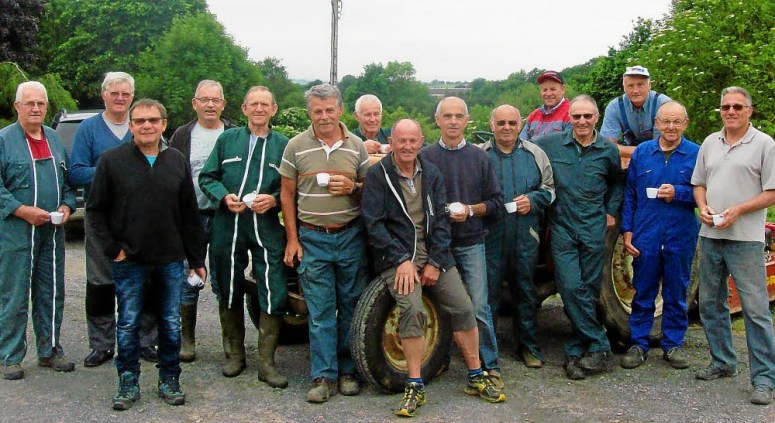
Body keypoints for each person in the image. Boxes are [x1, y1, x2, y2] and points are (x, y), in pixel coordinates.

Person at [362, 119, 506, 417]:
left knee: (465, 307)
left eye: (413, 141)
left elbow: (441, 222)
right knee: (412, 309)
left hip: (434, 256)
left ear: (421, 141)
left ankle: (476, 375)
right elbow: (374, 225)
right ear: (393, 141)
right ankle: (415, 384)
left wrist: (437, 261)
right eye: (401, 140)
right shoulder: (379, 175)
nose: (407, 146)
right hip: (397, 260)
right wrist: (401, 260)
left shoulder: (432, 173)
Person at [87, 99, 206, 410]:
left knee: (169, 321)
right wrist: (114, 249)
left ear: (163, 124)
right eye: (139, 121)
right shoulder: (112, 161)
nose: (146, 126)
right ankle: (128, 380)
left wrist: (196, 259)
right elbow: (95, 211)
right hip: (130, 261)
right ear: (131, 126)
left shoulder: (176, 160)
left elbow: (189, 214)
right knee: (127, 323)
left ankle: (170, 378)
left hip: (170, 259)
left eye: (153, 120)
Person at [279, 83, 370, 403]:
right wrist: (292, 239)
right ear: (309, 113)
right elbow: (286, 194)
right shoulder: (295, 146)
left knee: (350, 307)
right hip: (312, 237)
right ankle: (323, 376)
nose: (324, 116)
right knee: (319, 312)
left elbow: (367, 192)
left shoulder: (357, 146)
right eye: (317, 111)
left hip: (349, 235)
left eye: (329, 109)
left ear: (340, 110)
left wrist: (352, 185)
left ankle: (348, 371)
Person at [199, 86, 289, 388]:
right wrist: (224, 197)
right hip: (229, 223)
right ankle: (234, 355)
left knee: (272, 286)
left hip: (265, 226)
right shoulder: (227, 140)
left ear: (273, 109)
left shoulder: (283, 146)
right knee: (228, 285)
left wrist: (273, 200)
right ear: (244, 108)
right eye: (254, 104)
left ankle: (267, 363)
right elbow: (207, 177)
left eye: (265, 104)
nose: (260, 109)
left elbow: (292, 188)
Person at [691, 86, 775, 406]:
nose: (731, 111)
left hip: (745, 240)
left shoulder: (765, 145)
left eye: (737, 106)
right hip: (711, 237)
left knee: (755, 311)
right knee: (710, 305)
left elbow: (773, 191)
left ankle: (765, 378)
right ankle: (724, 362)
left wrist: (739, 210)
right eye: (725, 106)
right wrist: (703, 207)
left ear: (749, 111)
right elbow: (699, 184)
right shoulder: (711, 143)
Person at [69, 72, 158, 367]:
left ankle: (144, 340)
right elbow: (76, 171)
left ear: (132, 97)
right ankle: (102, 343)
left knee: (144, 281)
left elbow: (160, 164)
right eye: (114, 93)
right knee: (100, 283)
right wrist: (113, 171)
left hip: (140, 220)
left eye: (125, 94)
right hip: (102, 219)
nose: (120, 98)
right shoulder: (89, 129)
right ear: (103, 94)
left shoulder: (143, 126)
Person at [536, 95, 623, 380]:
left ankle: (576, 349)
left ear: (596, 117)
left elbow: (616, 182)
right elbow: (525, 156)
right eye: (576, 117)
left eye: (587, 116)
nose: (582, 121)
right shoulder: (551, 145)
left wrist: (610, 211)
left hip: (593, 228)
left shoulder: (607, 150)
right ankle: (599, 343)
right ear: (569, 119)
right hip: (561, 227)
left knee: (587, 288)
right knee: (570, 286)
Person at [419, 96, 504, 387]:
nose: (453, 121)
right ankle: (439, 361)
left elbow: (495, 203)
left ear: (467, 121)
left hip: (470, 242)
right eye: (447, 116)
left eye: (459, 116)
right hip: (435, 247)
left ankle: (489, 365)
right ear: (438, 121)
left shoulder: (480, 158)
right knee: (439, 305)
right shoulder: (424, 156)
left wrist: (470, 210)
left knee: (479, 306)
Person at [0, 81, 77, 380]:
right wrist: (22, 210)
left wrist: (68, 207)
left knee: (51, 292)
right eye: (29, 103)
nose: (35, 109)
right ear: (17, 106)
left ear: (46, 107)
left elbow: (68, 184)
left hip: (52, 233)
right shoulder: (5, 140)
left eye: (40, 104)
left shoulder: (55, 139)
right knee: (14, 294)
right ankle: (10, 356)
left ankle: (50, 351)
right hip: (16, 232)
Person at [619, 101, 699, 370]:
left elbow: (705, 195)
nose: (671, 127)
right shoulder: (642, 153)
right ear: (656, 124)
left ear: (685, 124)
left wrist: (680, 194)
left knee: (677, 290)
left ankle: (673, 344)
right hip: (646, 231)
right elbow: (629, 194)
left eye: (677, 122)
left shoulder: (696, 154)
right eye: (665, 122)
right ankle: (638, 344)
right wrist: (627, 230)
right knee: (643, 290)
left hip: (681, 232)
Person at [482, 105, 554, 368]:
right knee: (487, 294)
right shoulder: (481, 155)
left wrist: (533, 200)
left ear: (521, 124)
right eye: (501, 122)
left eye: (512, 122)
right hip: (491, 234)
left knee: (525, 291)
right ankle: (487, 353)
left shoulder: (535, 154)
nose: (506, 127)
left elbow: (550, 188)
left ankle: (529, 347)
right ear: (491, 124)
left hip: (525, 233)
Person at [169, 80, 234, 363]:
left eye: (215, 100)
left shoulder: (234, 134)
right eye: (204, 100)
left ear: (223, 104)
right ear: (194, 103)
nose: (210, 105)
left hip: (224, 216)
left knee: (224, 278)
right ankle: (187, 339)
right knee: (188, 276)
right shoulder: (182, 135)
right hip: (190, 216)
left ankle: (230, 342)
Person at [600, 65, 671, 165]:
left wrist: (625, 151)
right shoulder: (614, 107)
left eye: (640, 85)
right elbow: (607, 146)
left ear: (649, 85)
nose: (636, 91)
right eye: (630, 86)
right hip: (632, 159)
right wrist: (639, 154)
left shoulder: (664, 104)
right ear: (624, 87)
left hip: (663, 158)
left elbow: (662, 146)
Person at [520, 71, 571, 141]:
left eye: (553, 89)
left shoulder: (572, 113)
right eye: (545, 90)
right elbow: (521, 143)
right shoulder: (533, 116)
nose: (548, 93)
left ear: (563, 89)